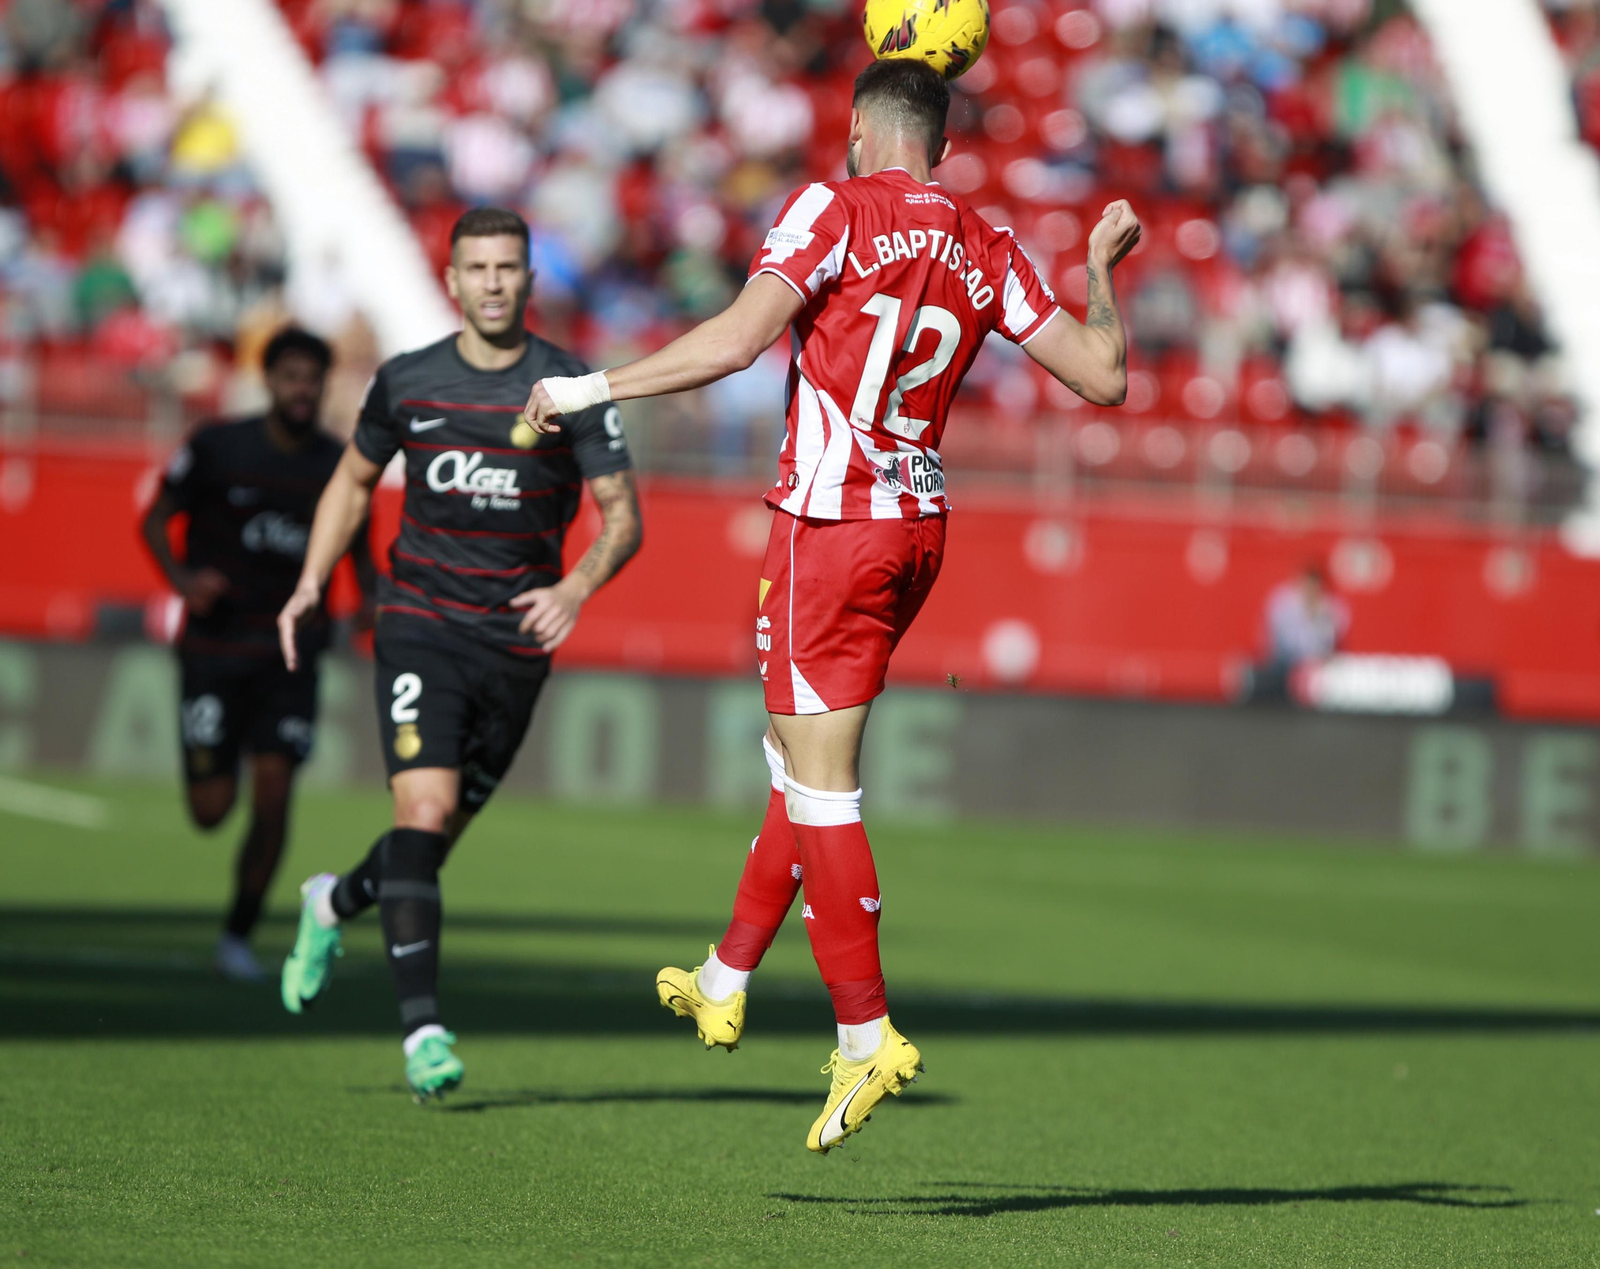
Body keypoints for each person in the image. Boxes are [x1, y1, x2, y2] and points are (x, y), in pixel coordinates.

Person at [523, 59, 1140, 1152]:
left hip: (829, 524)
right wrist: (1097, 268)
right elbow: (1101, 376)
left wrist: (586, 388)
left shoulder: (832, 207)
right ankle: (724, 975)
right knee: (796, 754)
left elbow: (735, 339)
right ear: (941, 147)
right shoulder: (985, 240)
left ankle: (865, 1035)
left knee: (824, 785)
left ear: (858, 128)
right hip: (916, 529)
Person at [275, 207, 642, 1101]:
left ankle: (330, 902)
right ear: (452, 280)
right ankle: (423, 1033)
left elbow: (623, 518)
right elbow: (353, 482)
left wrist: (574, 587)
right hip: (419, 625)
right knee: (425, 809)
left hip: (515, 648)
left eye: (506, 267)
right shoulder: (409, 383)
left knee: (424, 843)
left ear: (528, 279)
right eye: (475, 267)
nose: (490, 282)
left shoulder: (570, 386)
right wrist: (312, 579)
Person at [141, 326, 375, 982]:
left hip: (291, 656)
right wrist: (184, 582)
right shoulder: (218, 446)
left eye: (313, 378)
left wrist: (370, 602)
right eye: (291, 376)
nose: (303, 389)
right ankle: (215, 761)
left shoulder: (341, 461)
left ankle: (237, 935)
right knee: (213, 809)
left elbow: (361, 548)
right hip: (214, 647)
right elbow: (155, 519)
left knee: (274, 795)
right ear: (268, 380)